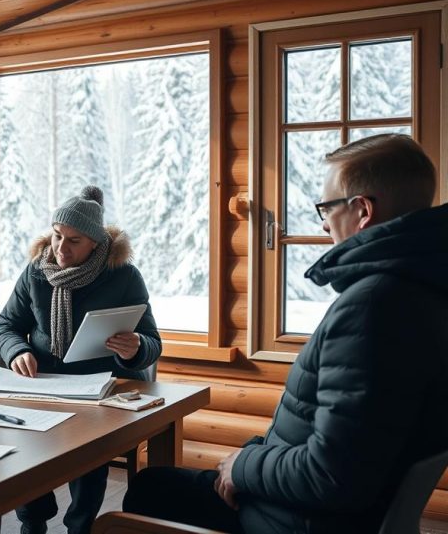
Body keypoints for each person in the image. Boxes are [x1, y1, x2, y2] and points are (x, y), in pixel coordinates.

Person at [124, 134, 448, 533]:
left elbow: (332, 476)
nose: (325, 221)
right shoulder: (421, 289)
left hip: (295, 521)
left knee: (148, 492)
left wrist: (243, 466)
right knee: (156, 485)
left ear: (362, 210)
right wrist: (254, 456)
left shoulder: (374, 306)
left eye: (326, 208)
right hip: (325, 512)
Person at [0, 184, 162, 534]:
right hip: (40, 384)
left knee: (91, 450)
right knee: (23, 443)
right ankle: (34, 521)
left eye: (73, 241)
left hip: (99, 390)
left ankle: (80, 526)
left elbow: (152, 342)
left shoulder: (124, 277)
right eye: (57, 236)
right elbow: (8, 325)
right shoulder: (35, 272)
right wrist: (18, 351)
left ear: (96, 243)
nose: (60, 247)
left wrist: (136, 348)